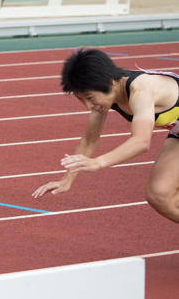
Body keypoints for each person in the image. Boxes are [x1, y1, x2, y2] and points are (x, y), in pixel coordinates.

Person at [33, 48, 179, 227]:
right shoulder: (107, 95)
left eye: (89, 98)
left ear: (108, 82)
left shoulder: (142, 89)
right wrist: (67, 180)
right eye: (81, 99)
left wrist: (98, 163)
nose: (88, 106)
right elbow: (89, 139)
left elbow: (141, 141)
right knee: (160, 194)